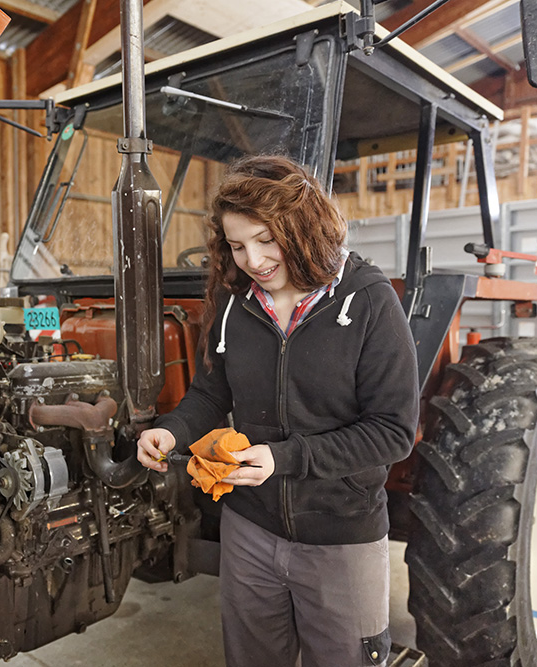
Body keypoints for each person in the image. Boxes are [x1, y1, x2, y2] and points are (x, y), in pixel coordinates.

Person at [136, 155, 419, 667]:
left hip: (340, 536)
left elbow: (392, 432)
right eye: (238, 245)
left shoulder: (370, 301)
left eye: (266, 240)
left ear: (303, 226)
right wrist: (170, 431)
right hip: (249, 529)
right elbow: (210, 394)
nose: (252, 259)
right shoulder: (233, 303)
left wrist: (282, 458)